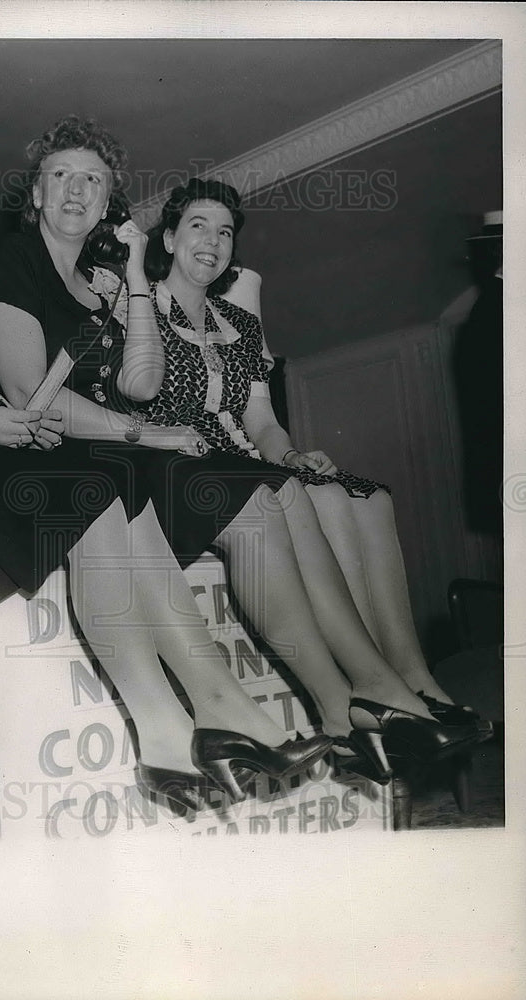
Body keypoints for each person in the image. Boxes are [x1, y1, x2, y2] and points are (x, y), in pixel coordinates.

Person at [0, 51, 329, 817]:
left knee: (105, 471)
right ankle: (189, 725)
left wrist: (2, 424)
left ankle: (203, 715)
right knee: (87, 476)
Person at [0, 118, 480, 790]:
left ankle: (368, 692)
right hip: (114, 461)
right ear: (34, 194)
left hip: (138, 457)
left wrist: (124, 285)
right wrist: (147, 419)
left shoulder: (103, 287)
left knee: (310, 492)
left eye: (93, 180)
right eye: (61, 176)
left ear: (110, 204)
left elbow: (150, 388)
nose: (77, 191)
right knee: (260, 495)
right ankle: (351, 696)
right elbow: (53, 396)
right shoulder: (30, 266)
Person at [139, 177, 490, 756]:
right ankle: (371, 685)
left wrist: (293, 454)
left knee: (363, 495)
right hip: (193, 466)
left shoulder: (241, 324)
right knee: (303, 497)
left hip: (253, 459)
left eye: (225, 231)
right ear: (171, 236)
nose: (213, 241)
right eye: (198, 226)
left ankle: (412, 679)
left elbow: (262, 420)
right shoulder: (143, 305)